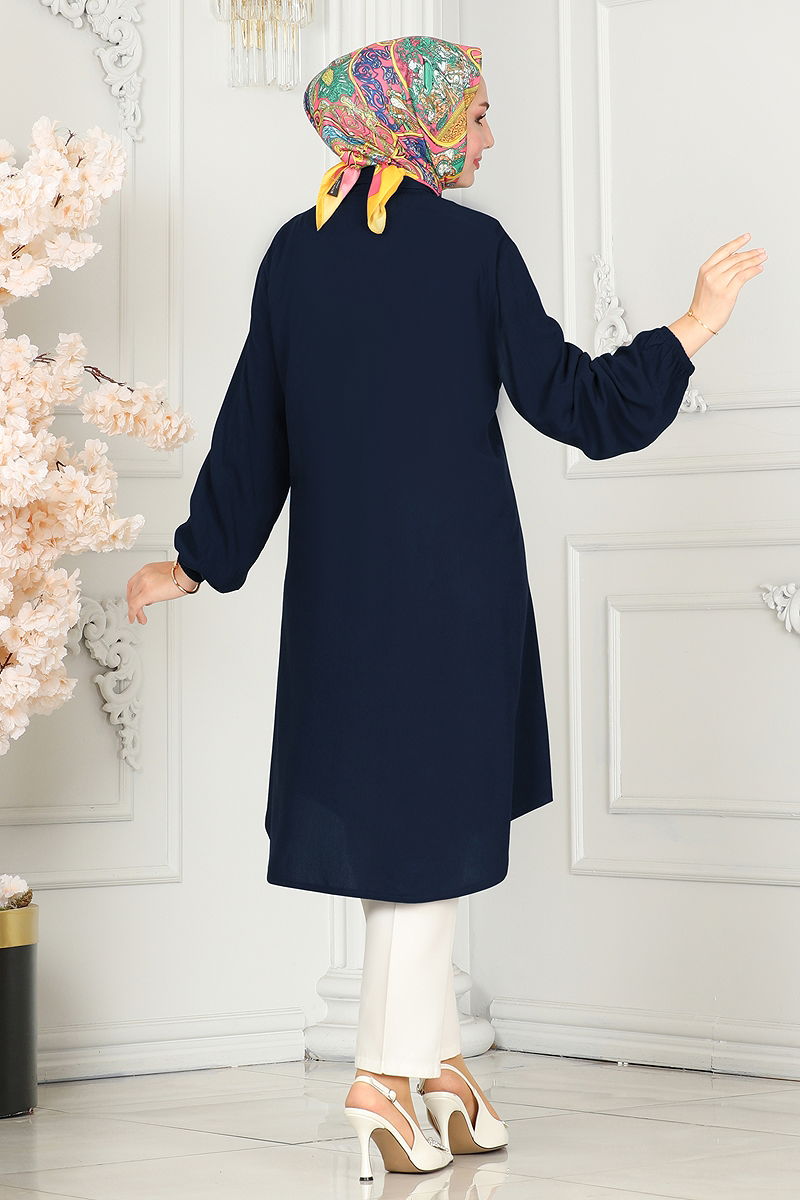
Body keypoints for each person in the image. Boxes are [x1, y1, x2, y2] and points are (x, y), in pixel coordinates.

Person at [126, 33, 766, 1181]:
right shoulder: (472, 249)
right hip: (454, 595)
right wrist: (694, 324)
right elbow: (573, 403)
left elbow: (253, 427)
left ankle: (437, 1069)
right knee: (430, 831)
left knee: (402, 830)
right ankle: (381, 1075)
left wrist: (198, 559)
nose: (487, 135)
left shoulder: (293, 253)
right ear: (418, 126)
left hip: (340, 598)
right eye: (474, 115)